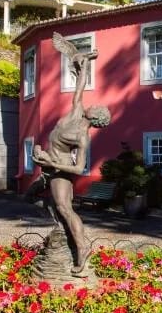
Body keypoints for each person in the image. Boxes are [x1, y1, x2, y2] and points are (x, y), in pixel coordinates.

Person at [31, 35, 110, 274]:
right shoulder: (76, 111)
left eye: (98, 108)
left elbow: (79, 169)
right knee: (31, 198)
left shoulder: (82, 137)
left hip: (59, 170)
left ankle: (81, 247)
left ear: (95, 118)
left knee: (65, 208)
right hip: (48, 165)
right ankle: (60, 228)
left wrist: (50, 161)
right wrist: (85, 63)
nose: (94, 105)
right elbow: (80, 84)